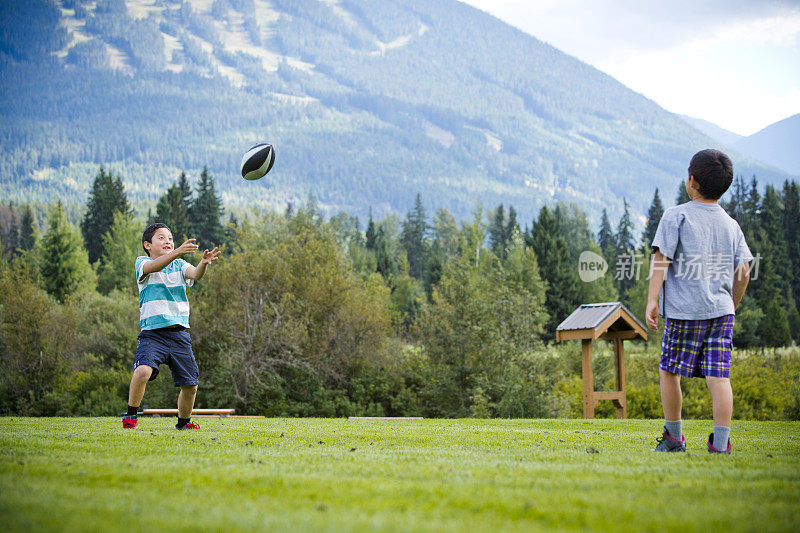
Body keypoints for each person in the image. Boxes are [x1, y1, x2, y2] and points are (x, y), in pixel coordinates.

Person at [645, 149, 752, 454]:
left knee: (669, 370)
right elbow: (743, 270)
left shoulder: (676, 215)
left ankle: (674, 438)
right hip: (721, 312)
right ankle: (720, 444)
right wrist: (731, 302)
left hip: (683, 311)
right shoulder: (732, 225)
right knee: (719, 376)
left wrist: (652, 300)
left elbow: (661, 259)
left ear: (691, 180)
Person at [122, 223, 221, 430]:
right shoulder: (143, 262)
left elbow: (195, 275)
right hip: (152, 334)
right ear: (147, 245)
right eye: (161, 238)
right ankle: (131, 417)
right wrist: (176, 252)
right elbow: (154, 267)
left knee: (190, 385)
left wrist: (203, 263)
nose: (168, 241)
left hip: (179, 334)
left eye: (170, 238)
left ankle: (183, 423)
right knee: (142, 373)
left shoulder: (180, 264)